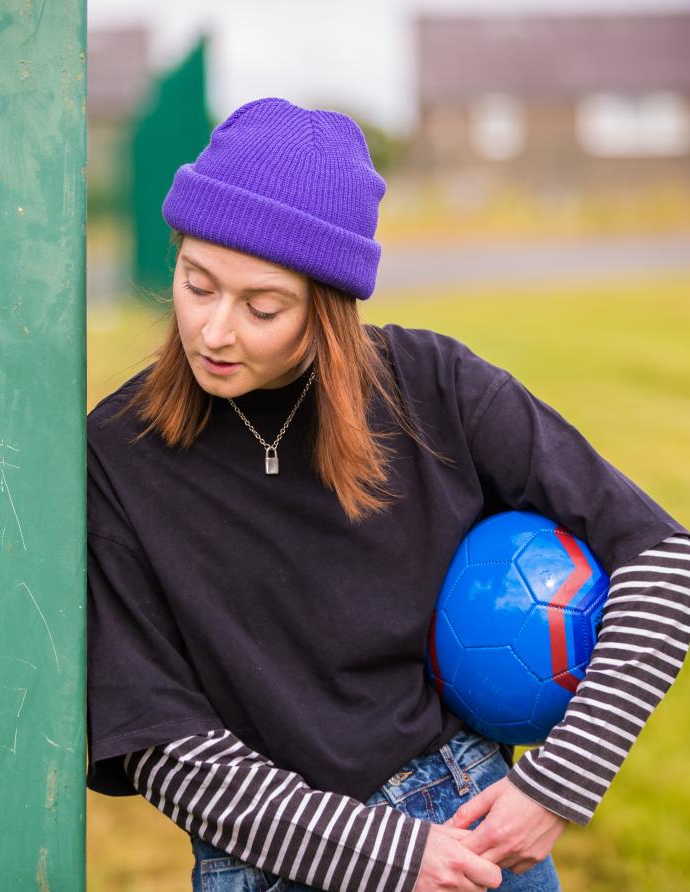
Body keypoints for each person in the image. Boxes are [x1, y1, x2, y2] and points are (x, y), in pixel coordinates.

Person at [85, 97, 690, 891]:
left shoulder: (432, 388)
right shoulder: (119, 451)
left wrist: (557, 784)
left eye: (262, 306)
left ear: (327, 309)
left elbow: (662, 559)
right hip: (270, 861)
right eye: (197, 284)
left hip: (464, 827)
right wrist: (388, 856)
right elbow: (156, 738)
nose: (213, 331)